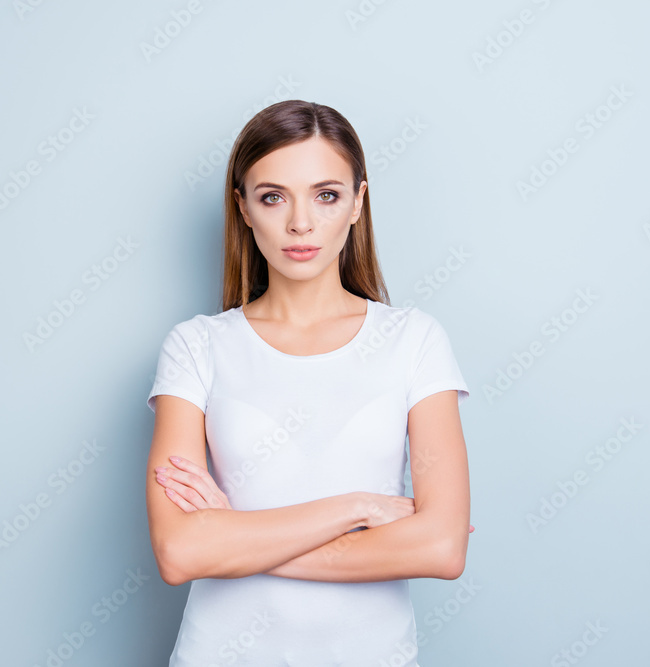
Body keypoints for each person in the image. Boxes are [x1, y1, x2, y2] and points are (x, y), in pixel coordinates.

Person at [145, 99, 472, 666]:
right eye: (273, 196)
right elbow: (179, 552)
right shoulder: (196, 347)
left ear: (358, 202)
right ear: (243, 207)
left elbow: (442, 547)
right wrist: (359, 507)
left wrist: (232, 538)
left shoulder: (414, 340)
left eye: (326, 195)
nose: (301, 223)